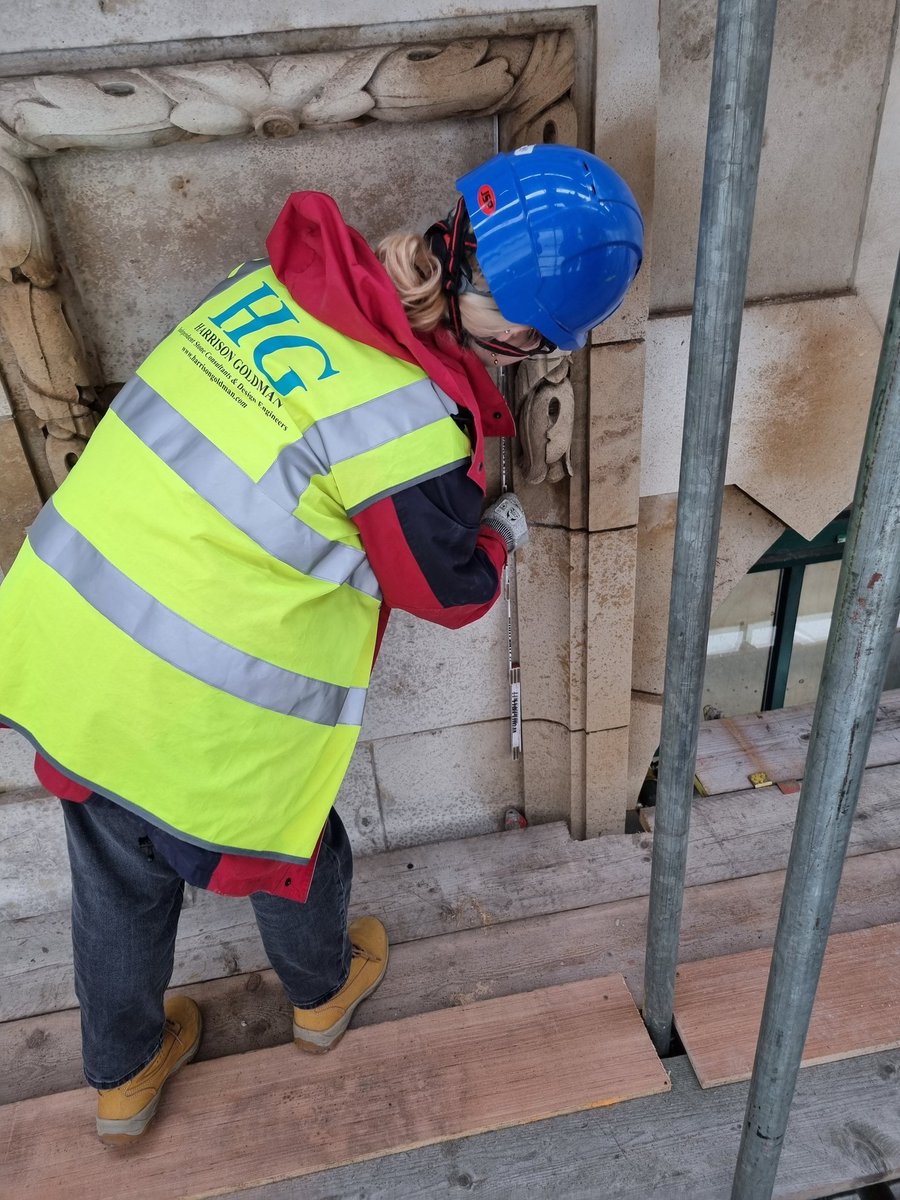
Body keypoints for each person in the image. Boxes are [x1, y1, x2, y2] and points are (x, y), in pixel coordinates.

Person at [0, 144, 643, 1144]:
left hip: (71, 650)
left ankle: (121, 1077)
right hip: (199, 706)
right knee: (296, 843)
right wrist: (502, 528)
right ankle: (323, 995)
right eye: (530, 349)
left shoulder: (271, 289)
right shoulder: (408, 426)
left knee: (116, 879)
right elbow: (444, 589)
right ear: (517, 336)